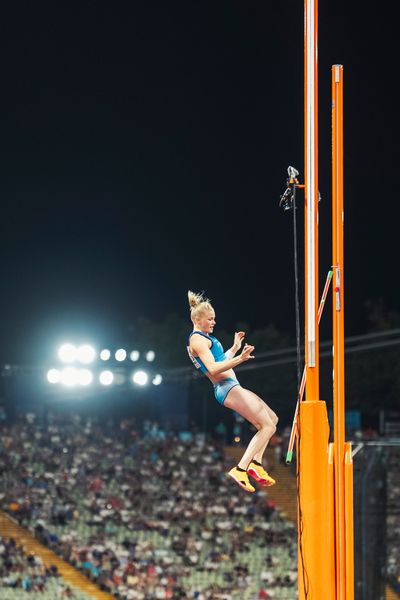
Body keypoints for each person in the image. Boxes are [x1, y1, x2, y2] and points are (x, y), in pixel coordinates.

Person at [187, 291, 278, 492]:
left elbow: (220, 360)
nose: (213, 322)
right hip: (226, 388)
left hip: (230, 386)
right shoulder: (197, 340)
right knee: (267, 426)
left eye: (214, 319)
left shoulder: (204, 338)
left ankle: (256, 464)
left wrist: (235, 348)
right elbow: (212, 369)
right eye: (210, 319)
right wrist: (241, 359)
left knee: (272, 419)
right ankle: (241, 468)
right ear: (198, 319)